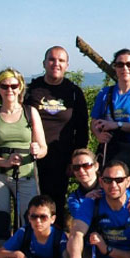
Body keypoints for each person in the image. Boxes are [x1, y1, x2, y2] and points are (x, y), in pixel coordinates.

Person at [0, 68, 47, 245]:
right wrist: (5, 162)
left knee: (29, 221)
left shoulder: (30, 113)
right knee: (0, 224)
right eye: (4, 86)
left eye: (14, 85)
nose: (9, 90)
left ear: (20, 88)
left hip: (26, 175)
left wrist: (37, 150)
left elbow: (44, 147)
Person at [25, 46, 88, 216]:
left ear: (67, 65)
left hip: (61, 160)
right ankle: (28, 240)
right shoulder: (31, 90)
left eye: (61, 60)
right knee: (29, 204)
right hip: (31, 157)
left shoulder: (74, 93)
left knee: (55, 204)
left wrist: (74, 161)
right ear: (44, 63)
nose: (56, 64)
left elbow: (82, 131)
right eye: (52, 59)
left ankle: (55, 240)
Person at [90, 48, 130, 194]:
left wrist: (117, 125)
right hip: (111, 152)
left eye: (129, 64)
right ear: (115, 67)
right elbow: (94, 121)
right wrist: (98, 135)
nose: (125, 68)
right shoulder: (105, 93)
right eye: (120, 65)